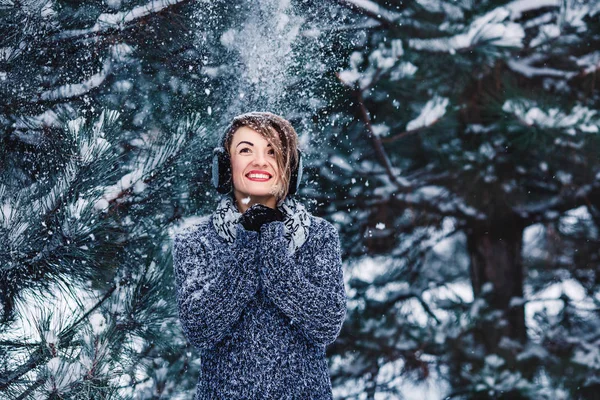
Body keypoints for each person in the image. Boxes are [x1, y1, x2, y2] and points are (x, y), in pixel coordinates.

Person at [172, 112, 347, 399]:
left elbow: (325, 324)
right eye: (245, 150)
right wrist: (247, 241)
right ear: (225, 165)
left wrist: (273, 244)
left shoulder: (319, 235)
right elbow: (201, 328)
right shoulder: (194, 240)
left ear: (291, 166)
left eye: (272, 151)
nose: (260, 161)